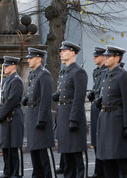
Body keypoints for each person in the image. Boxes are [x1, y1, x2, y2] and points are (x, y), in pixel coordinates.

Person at [95, 46, 127, 178]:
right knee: (106, 159)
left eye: (108, 56)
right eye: (105, 56)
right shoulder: (106, 74)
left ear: (117, 58)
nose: (105, 58)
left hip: (117, 121)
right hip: (105, 119)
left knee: (119, 159)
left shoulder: (123, 75)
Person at [53, 41, 88, 178]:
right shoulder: (63, 72)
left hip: (73, 117)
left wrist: (73, 119)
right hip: (63, 115)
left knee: (77, 153)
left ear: (73, 53)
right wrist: (57, 95)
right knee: (66, 153)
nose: (61, 53)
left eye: (64, 51)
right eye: (61, 51)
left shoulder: (78, 72)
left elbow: (79, 98)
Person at [22, 47, 56, 178]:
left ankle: (49, 175)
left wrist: (41, 119)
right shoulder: (33, 74)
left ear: (39, 59)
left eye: (31, 58)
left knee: (43, 150)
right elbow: (33, 92)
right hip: (31, 114)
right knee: (34, 149)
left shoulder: (44, 74)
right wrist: (26, 99)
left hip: (39, 116)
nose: (28, 60)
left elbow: (45, 98)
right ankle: (38, 174)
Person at [0, 56, 24, 178]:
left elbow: (11, 101)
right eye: (4, 66)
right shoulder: (7, 80)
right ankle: (8, 171)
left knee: (14, 146)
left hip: (13, 116)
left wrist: (0, 115)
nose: (4, 67)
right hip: (6, 117)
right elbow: (1, 99)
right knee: (6, 145)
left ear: (13, 66)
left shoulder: (16, 80)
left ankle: (17, 172)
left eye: (7, 66)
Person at [87, 47, 106, 178]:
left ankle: (101, 171)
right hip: (95, 108)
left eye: (97, 56)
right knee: (95, 141)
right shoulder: (96, 72)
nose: (94, 58)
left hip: (102, 109)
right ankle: (98, 171)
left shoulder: (105, 71)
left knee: (102, 141)